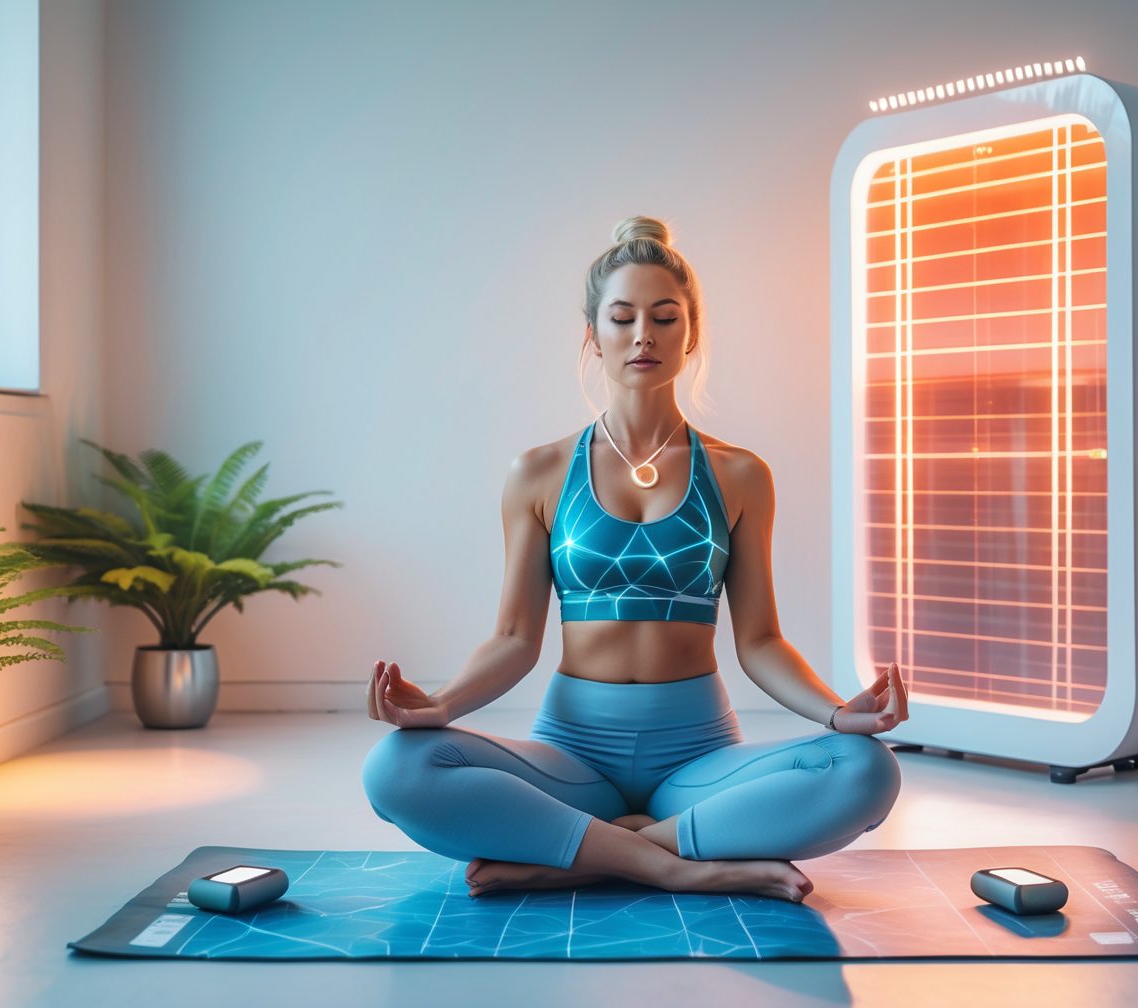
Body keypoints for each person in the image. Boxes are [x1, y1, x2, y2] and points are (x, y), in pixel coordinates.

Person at [360, 215, 907, 904]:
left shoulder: (740, 475)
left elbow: (761, 641)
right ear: (593, 335)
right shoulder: (539, 472)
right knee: (395, 769)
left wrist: (837, 715)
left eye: (664, 317)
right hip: (571, 756)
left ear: (691, 333)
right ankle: (674, 859)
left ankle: (583, 856)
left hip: (699, 757)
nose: (643, 335)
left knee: (866, 770)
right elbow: (513, 639)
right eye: (621, 318)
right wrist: (437, 705)